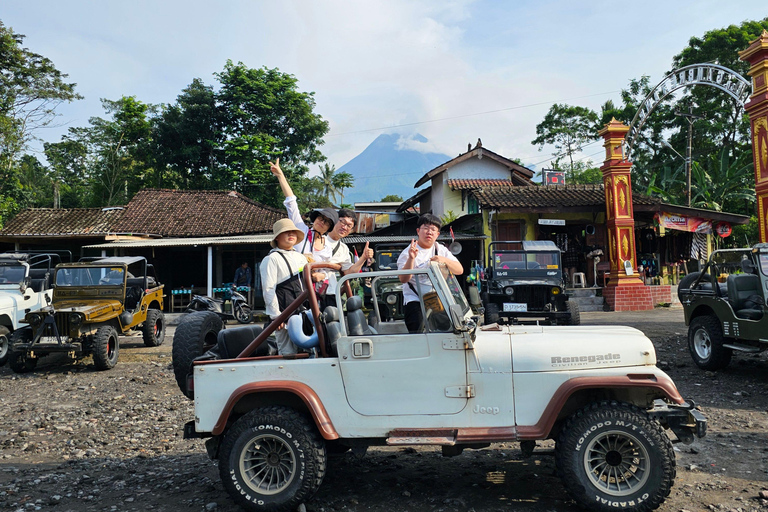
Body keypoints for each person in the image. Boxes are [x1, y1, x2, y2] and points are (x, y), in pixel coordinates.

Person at [270, 158, 339, 285]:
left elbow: (328, 270)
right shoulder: (301, 229)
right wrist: (280, 175)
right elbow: (291, 202)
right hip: (291, 282)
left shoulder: (327, 246)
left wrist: (321, 275)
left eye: (326, 222)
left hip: (314, 289)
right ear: (315, 218)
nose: (321, 222)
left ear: (329, 228)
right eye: (320, 218)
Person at [397, 214, 463, 333]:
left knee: (451, 331)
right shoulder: (407, 252)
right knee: (418, 333)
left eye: (433, 229)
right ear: (418, 231)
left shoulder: (440, 249)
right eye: (426, 228)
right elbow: (403, 279)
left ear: (437, 234)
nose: (429, 232)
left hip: (437, 300)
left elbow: (459, 270)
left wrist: (444, 260)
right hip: (416, 300)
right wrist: (411, 258)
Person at [260, 219, 309, 356]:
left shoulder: (301, 257)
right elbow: (268, 289)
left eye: (293, 231)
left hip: (303, 310)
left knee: (308, 351)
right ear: (277, 237)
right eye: (286, 232)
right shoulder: (271, 259)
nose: (291, 234)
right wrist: (276, 316)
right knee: (288, 353)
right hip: (284, 312)